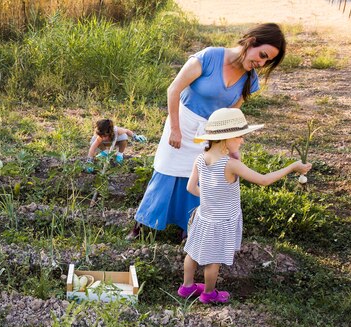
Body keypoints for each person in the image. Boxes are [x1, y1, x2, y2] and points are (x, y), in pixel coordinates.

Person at [127, 23, 286, 240]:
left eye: (267, 61)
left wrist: (230, 148)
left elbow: (230, 116)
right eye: (262, 55)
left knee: (201, 177)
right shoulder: (209, 57)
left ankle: (189, 226)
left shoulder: (250, 80)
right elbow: (173, 89)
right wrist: (175, 129)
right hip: (182, 123)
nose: (261, 62)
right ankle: (143, 225)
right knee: (166, 172)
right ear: (251, 42)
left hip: (210, 133)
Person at [177, 108, 312, 303]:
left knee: (193, 252)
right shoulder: (230, 165)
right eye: (239, 136)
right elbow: (264, 180)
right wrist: (292, 167)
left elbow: (191, 187)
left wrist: (209, 198)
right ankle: (208, 294)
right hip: (221, 222)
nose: (242, 141)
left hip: (203, 217)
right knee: (212, 260)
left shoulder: (200, 159)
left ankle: (187, 287)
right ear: (226, 138)